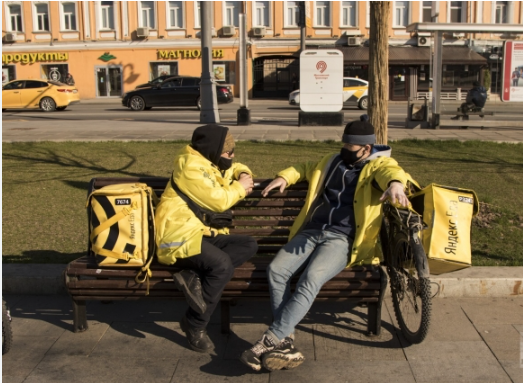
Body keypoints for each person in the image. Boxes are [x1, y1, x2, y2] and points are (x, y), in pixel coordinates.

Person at [240, 120, 418, 372]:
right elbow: (305, 168)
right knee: (276, 271)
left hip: (342, 239)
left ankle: (268, 340)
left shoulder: (376, 165)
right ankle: (286, 340)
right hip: (312, 231)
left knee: (310, 279)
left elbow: (392, 171)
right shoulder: (333, 161)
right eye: (344, 143)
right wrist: (284, 177)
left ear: (367, 148)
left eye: (351, 146)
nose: (345, 148)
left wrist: (396, 184)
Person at [155, 124, 258, 353]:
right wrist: (241, 188)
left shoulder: (208, 161)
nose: (231, 157)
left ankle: (193, 275)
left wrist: (242, 172)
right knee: (221, 267)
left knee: (248, 244)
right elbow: (218, 200)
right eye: (228, 153)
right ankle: (194, 324)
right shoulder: (191, 168)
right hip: (178, 238)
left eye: (233, 153)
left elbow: (231, 168)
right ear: (212, 149)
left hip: (198, 234)